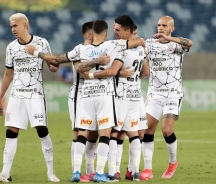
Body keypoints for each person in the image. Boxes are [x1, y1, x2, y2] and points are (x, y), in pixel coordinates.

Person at [25, 21, 109, 182]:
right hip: (79, 94)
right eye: (95, 33)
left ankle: (89, 170)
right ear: (89, 34)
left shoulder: (102, 49)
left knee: (94, 134)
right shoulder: (79, 50)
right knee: (79, 133)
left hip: (96, 95)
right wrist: (37, 53)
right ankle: (75, 170)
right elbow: (58, 59)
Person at [0, 13, 60, 183]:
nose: (12, 29)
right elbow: (8, 74)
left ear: (25, 25)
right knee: (11, 131)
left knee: (42, 130)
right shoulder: (11, 47)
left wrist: (38, 53)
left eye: (15, 26)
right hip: (17, 94)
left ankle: (51, 172)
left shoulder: (42, 42)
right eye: (11, 26)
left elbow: (54, 66)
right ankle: (5, 174)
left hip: (35, 93)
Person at [70, 19, 145, 183]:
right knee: (110, 133)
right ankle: (104, 172)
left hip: (86, 95)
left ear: (91, 33)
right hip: (110, 95)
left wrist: (36, 54)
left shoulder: (81, 49)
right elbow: (114, 70)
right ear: (105, 32)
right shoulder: (113, 46)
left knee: (82, 133)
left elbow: (70, 64)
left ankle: (76, 171)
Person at [140, 15, 193, 180]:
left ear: (172, 28)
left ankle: (172, 163)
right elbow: (138, 54)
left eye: (164, 25)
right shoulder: (149, 44)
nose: (160, 28)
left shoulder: (177, 45)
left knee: (166, 130)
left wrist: (169, 38)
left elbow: (189, 43)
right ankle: (147, 169)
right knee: (147, 130)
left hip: (173, 92)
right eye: (158, 25)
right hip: (154, 93)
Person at [105, 16, 149, 182]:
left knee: (114, 132)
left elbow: (109, 71)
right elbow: (145, 72)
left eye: (118, 30)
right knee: (134, 133)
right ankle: (134, 172)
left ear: (128, 32)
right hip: (135, 94)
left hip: (120, 95)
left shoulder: (120, 49)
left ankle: (113, 172)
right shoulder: (140, 50)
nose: (115, 33)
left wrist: (118, 73)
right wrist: (134, 78)